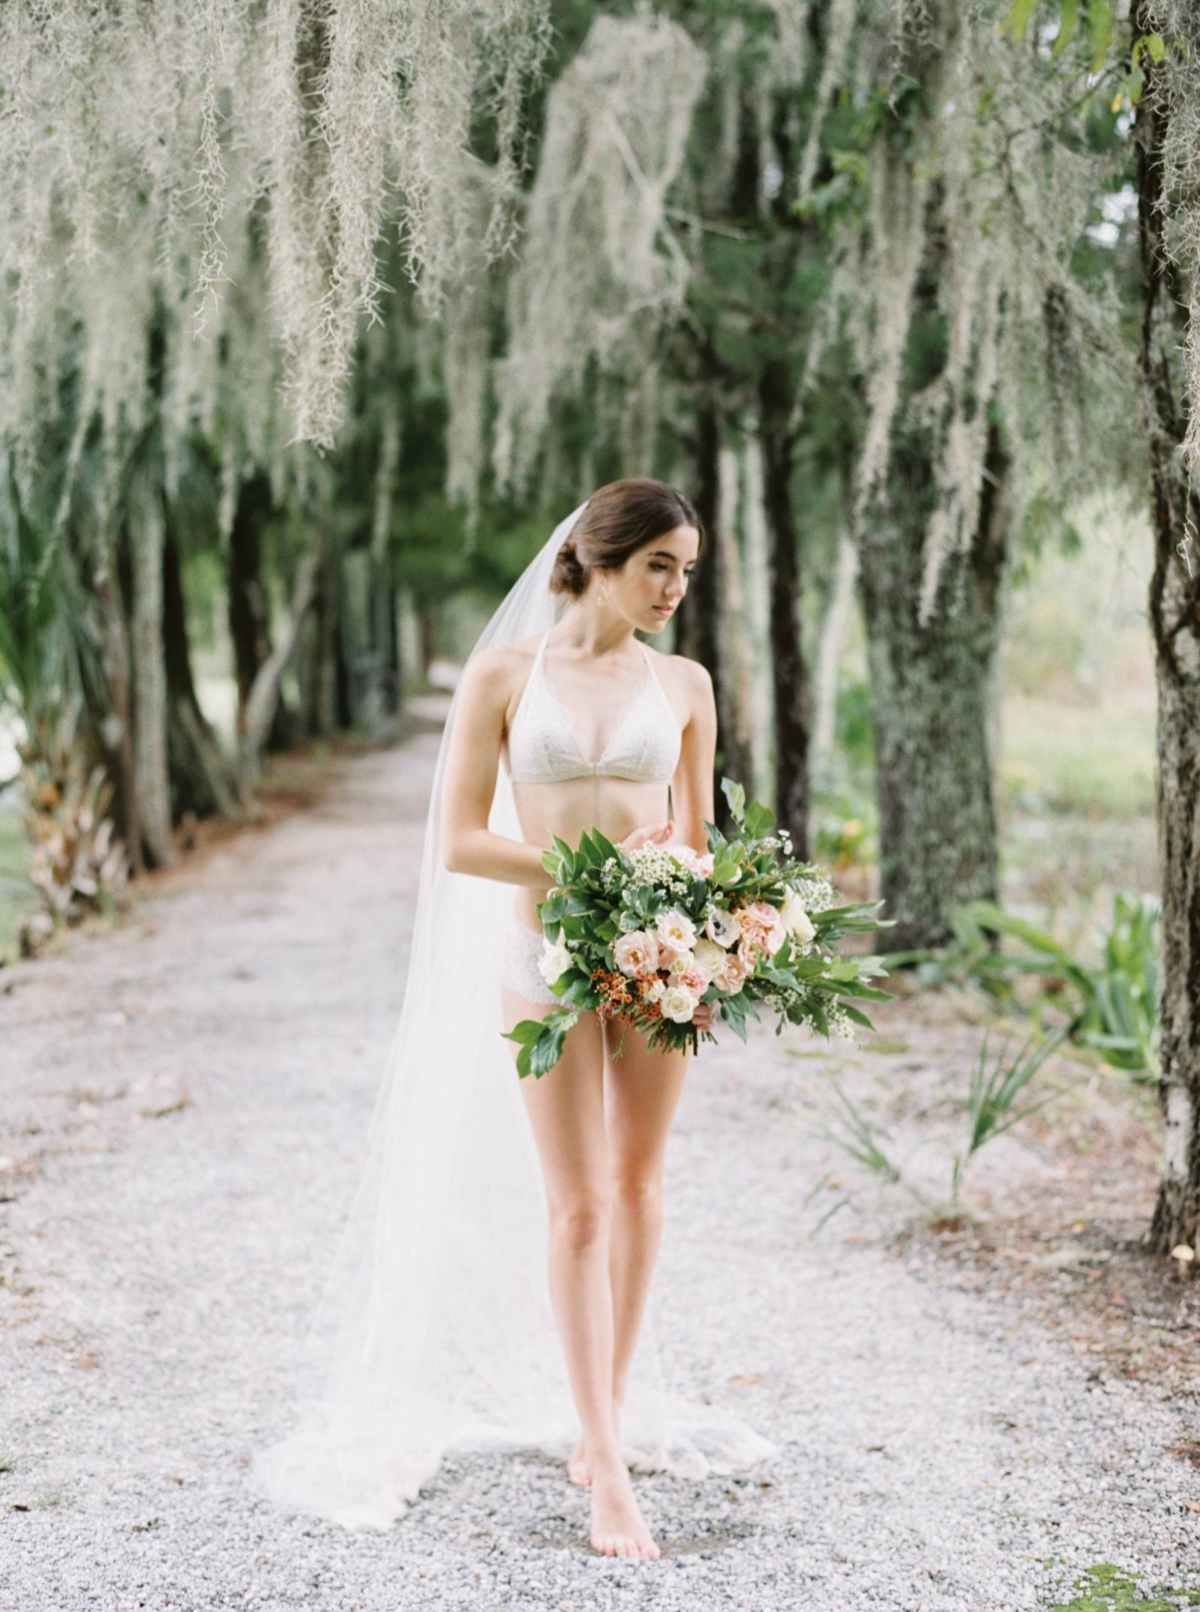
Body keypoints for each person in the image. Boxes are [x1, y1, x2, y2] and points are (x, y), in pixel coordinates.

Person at [251, 479, 777, 1552]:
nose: (676, 588)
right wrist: (584, 869)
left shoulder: (683, 682)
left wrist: (715, 907)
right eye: (658, 566)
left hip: (657, 961)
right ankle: (605, 1467)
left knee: (638, 1186)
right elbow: (459, 841)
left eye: (687, 570)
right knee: (577, 1206)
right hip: (543, 957)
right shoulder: (503, 674)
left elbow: (693, 825)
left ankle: (610, 1415)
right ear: (598, 557)